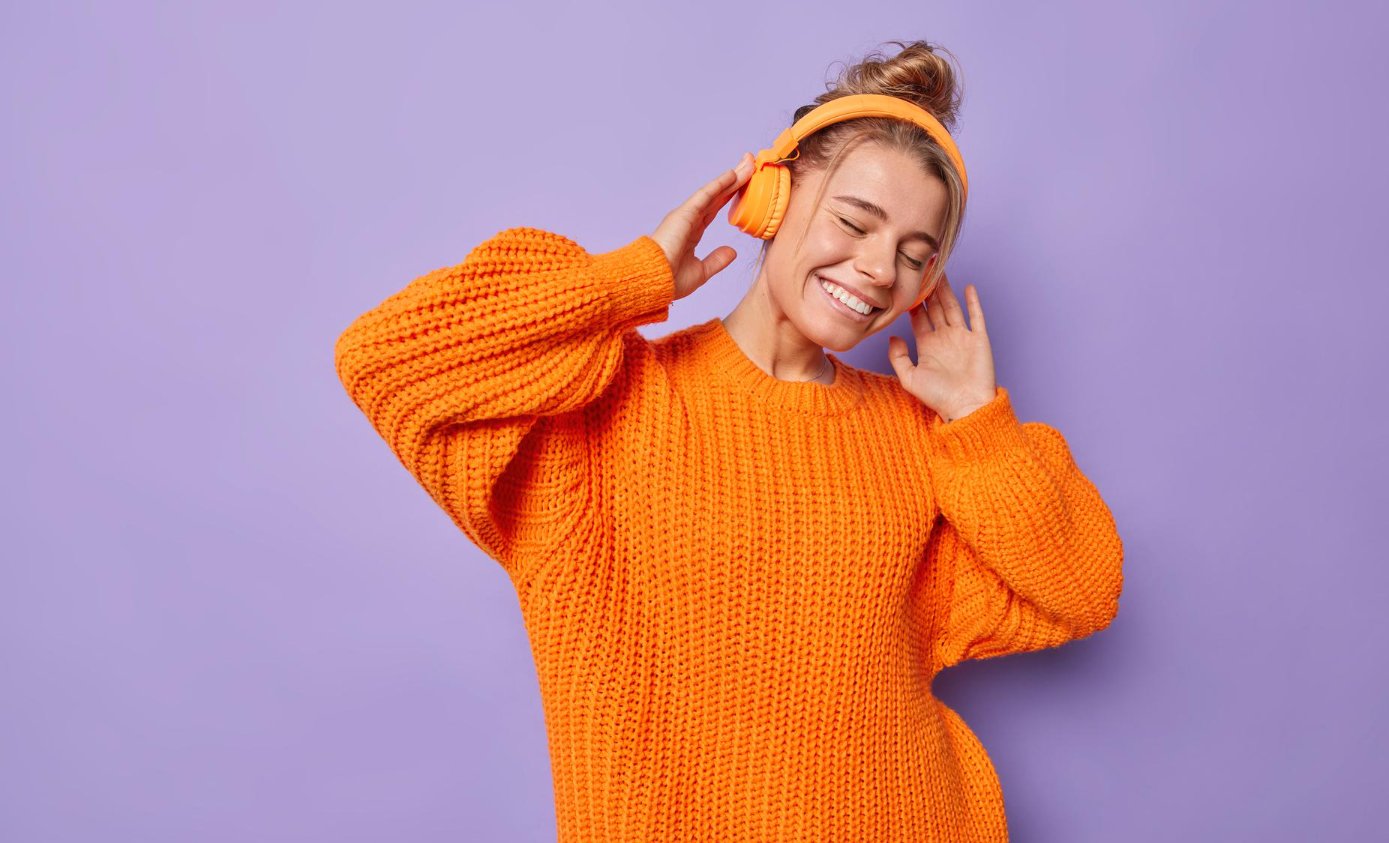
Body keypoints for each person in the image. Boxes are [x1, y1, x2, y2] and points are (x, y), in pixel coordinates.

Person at [335, 39, 1123, 843]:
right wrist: (630, 279)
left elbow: (1083, 590)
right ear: (771, 200)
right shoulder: (602, 412)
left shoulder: (924, 440)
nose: (881, 269)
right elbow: (389, 358)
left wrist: (976, 419)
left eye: (915, 256)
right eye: (855, 221)